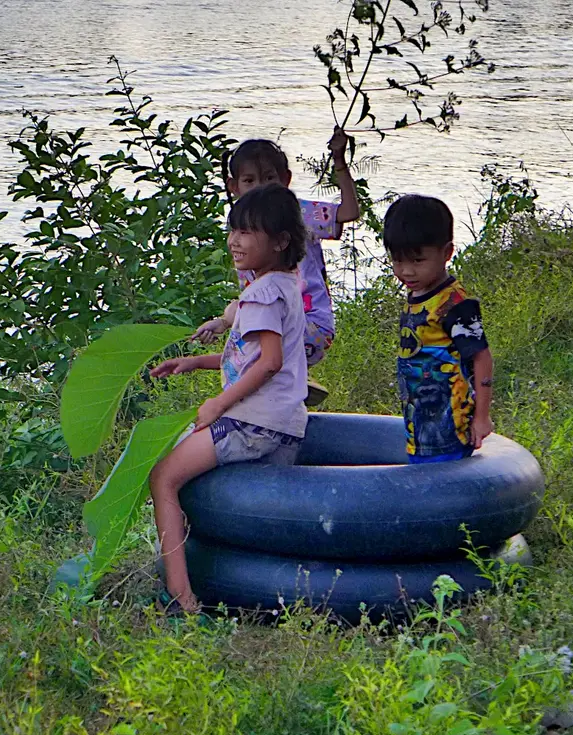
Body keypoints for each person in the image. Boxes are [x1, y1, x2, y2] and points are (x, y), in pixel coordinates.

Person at [149, 184, 308, 613]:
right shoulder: (286, 285)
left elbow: (269, 362)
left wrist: (218, 405)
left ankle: (181, 597)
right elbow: (253, 356)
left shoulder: (258, 294)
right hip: (285, 424)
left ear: (280, 241)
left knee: (163, 478)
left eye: (248, 232)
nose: (235, 241)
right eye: (233, 230)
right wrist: (196, 362)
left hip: (249, 422)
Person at [192, 128, 360, 405]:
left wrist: (339, 161)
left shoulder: (299, 213)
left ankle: (288, 380)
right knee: (242, 329)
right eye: (250, 180)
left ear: (285, 180)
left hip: (307, 325)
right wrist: (223, 322)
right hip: (273, 319)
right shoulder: (243, 231)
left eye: (269, 178)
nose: (260, 188)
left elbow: (350, 212)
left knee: (249, 363)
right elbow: (250, 299)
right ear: (234, 187)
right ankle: (290, 380)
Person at [383, 194, 494, 463]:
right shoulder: (418, 295)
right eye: (398, 261)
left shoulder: (454, 304)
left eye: (417, 261)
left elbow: (482, 357)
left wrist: (481, 416)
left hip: (449, 421)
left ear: (446, 253)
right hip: (418, 419)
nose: (406, 271)